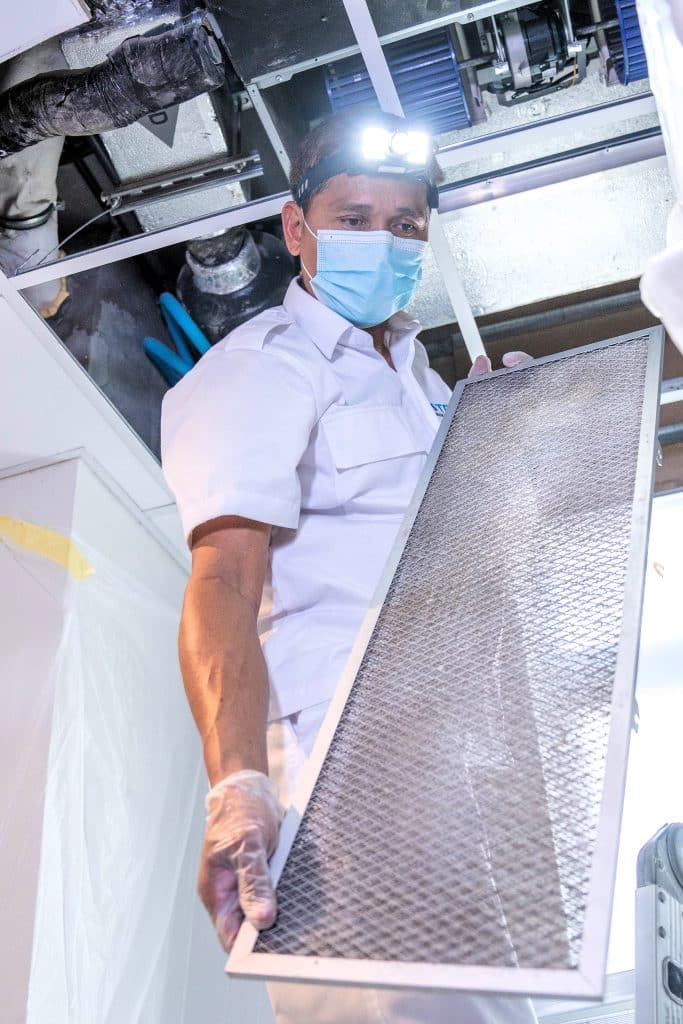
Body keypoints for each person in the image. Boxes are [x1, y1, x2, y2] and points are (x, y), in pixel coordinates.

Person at [161, 109, 536, 1024]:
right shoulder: (259, 370)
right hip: (343, 761)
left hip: (455, 763)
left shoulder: (420, 382)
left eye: (406, 226)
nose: (386, 241)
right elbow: (221, 584)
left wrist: (511, 432)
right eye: (355, 218)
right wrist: (238, 786)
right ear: (297, 229)